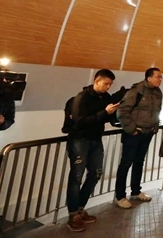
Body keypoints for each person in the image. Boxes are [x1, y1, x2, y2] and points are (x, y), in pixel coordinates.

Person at [64, 69, 118, 231]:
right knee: (76, 176)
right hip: (79, 140)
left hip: (95, 140)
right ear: (96, 80)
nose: (108, 87)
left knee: (96, 173)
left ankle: (80, 208)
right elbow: (80, 122)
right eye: (105, 83)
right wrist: (104, 112)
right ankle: (73, 214)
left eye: (110, 84)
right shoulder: (81, 98)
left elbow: (105, 118)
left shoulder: (106, 98)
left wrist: (113, 112)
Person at [114, 68, 163, 209]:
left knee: (139, 162)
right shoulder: (136, 91)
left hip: (147, 133)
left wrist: (154, 127)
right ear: (149, 77)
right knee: (126, 163)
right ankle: (120, 196)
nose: (160, 79)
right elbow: (122, 111)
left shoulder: (158, 92)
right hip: (134, 134)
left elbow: (156, 111)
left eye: (161, 77)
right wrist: (132, 129)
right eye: (157, 77)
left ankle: (135, 191)